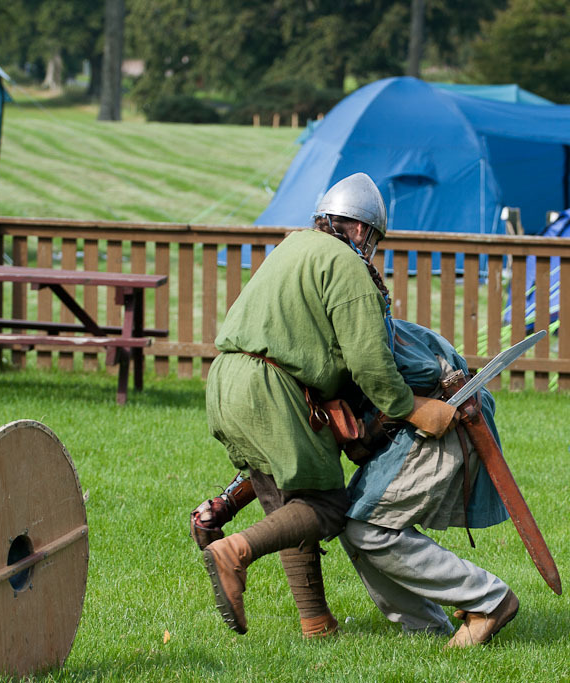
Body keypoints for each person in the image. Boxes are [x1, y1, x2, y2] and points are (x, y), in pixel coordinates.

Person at [199, 172, 458, 639]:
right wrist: (412, 408)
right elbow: (369, 361)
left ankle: (315, 623)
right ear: (360, 229)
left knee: (287, 504)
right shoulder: (346, 263)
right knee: (329, 506)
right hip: (273, 388)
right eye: (374, 237)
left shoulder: (292, 246)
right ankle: (234, 552)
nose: (372, 247)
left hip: (226, 381)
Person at [339, 319, 519, 648]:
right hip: (413, 421)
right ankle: (426, 627)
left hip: (445, 416)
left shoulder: (354, 299)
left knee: (365, 528)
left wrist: (391, 415)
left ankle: (488, 600)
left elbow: (420, 372)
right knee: (353, 527)